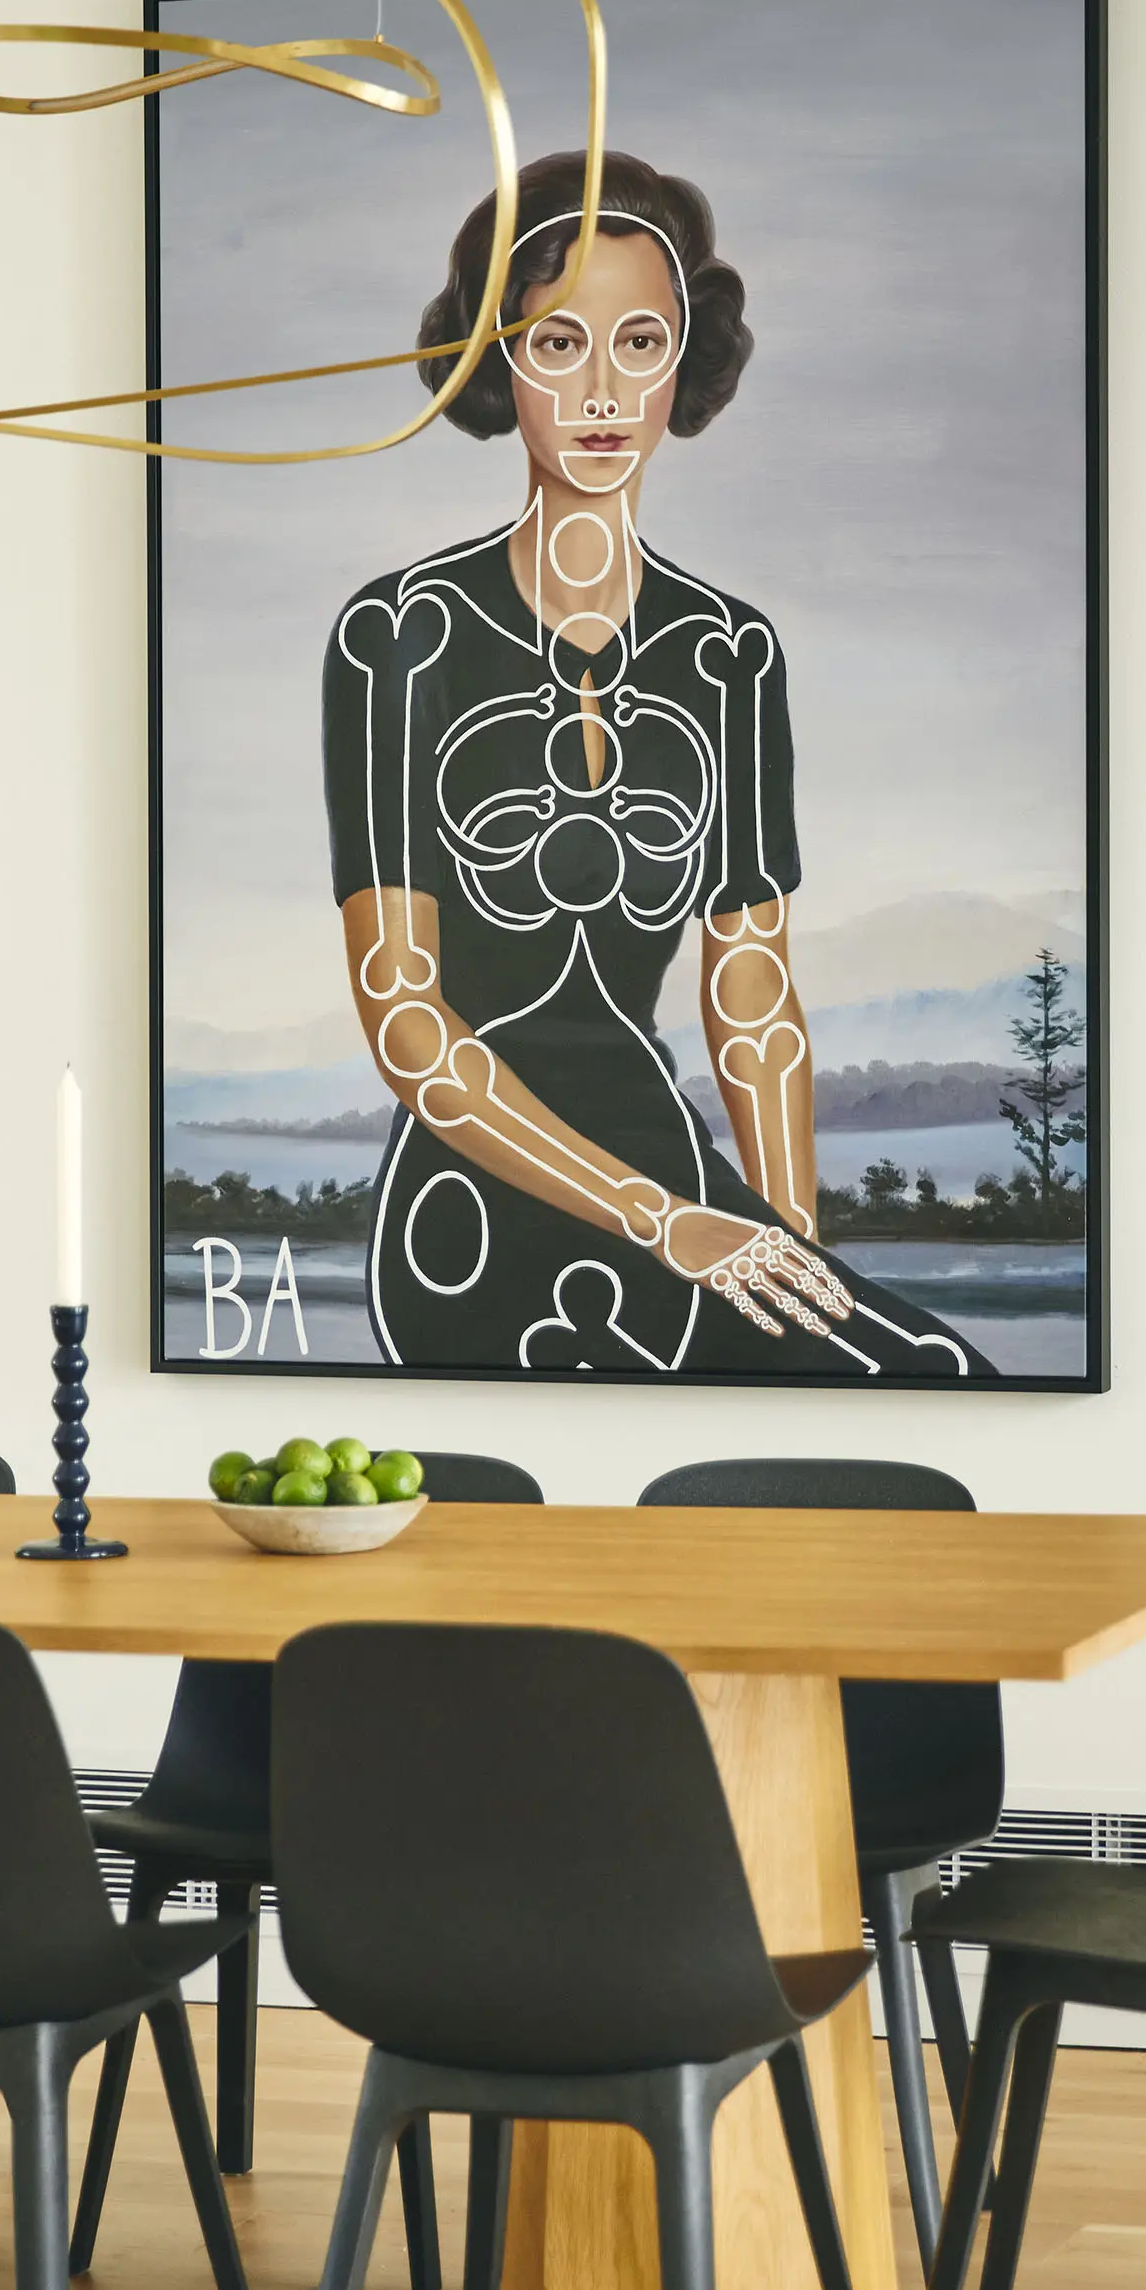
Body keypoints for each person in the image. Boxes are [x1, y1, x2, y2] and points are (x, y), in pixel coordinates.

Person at [320, 148, 995, 1381]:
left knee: (927, 1378)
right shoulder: (399, 638)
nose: (600, 391)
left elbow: (751, 996)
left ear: (684, 365)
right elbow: (407, 1021)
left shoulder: (728, 653)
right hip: (478, 1205)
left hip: (681, 1183)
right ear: (496, 361)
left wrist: (791, 1243)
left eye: (639, 343)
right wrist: (664, 1224)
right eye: (557, 343)